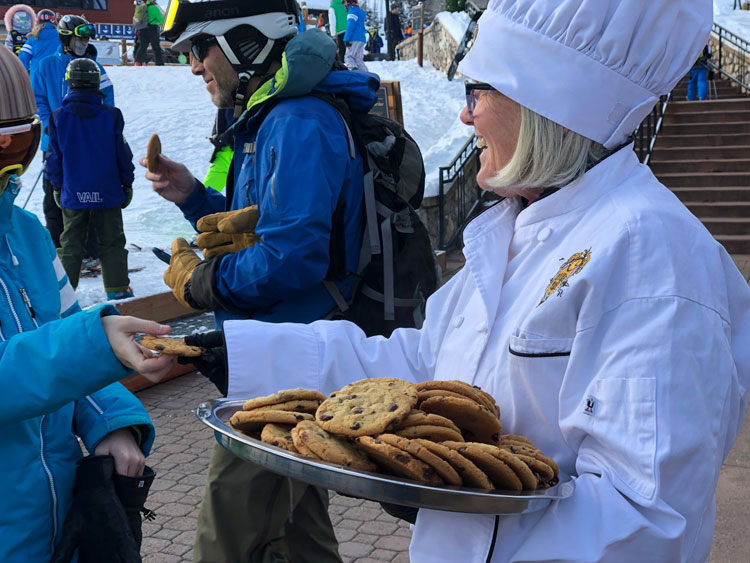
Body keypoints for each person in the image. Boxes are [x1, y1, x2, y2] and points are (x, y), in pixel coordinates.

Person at [182, 0, 750, 561]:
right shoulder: (516, 230)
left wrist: (451, 500)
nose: (465, 115)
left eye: (476, 91)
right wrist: (235, 355)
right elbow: (423, 370)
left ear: (546, 105)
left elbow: (644, 525)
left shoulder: (654, 260)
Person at [147, 1, 374, 560]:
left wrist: (203, 283)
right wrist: (195, 198)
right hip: (279, 348)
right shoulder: (270, 115)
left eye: (200, 49)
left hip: (285, 363)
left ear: (246, 43)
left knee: (225, 537)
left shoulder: (296, 122)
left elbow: (292, 258)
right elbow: (260, 229)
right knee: (301, 534)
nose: (195, 67)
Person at [0, 43, 175, 563]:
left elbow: (67, 327)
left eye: (19, 148)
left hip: (53, 524)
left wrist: (111, 422)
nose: (10, 174)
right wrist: (95, 343)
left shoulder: (24, 233)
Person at [46, 58, 135, 300]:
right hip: (108, 191)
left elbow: (54, 157)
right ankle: (117, 289)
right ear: (96, 82)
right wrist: (127, 183)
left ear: (69, 83)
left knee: (71, 243)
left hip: (74, 191)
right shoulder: (111, 115)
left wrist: (56, 184)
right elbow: (122, 154)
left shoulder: (58, 117)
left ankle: (64, 295)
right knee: (112, 241)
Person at [32, 14, 109, 262]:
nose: (85, 42)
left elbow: (108, 102)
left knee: (88, 196)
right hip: (55, 142)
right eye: (80, 37)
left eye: (87, 38)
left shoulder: (96, 68)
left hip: (85, 145)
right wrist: (48, 125)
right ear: (66, 37)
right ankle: (57, 249)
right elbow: (38, 100)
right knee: (53, 197)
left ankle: (90, 251)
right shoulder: (46, 66)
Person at [18, 9, 60, 79]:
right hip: (56, 73)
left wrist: (25, 74)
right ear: (55, 22)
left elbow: (23, 57)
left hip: (36, 74)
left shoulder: (33, 38)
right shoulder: (60, 37)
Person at [203, 107, 235, 193]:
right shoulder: (226, 96)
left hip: (245, 156)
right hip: (223, 153)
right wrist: (215, 134)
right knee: (205, 196)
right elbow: (220, 117)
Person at [134, 0, 164, 66]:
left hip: (142, 29)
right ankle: (159, 63)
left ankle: (137, 61)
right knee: (156, 47)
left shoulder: (142, 7)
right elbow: (161, 20)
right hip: (152, 29)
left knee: (143, 46)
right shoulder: (154, 8)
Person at [343, 0, 367, 71]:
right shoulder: (359, 11)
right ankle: (367, 75)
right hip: (361, 39)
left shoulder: (352, 11)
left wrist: (346, 39)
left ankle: (355, 73)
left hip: (354, 38)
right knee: (358, 59)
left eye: (345, 3)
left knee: (348, 57)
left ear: (348, 3)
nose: (344, 5)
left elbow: (350, 26)